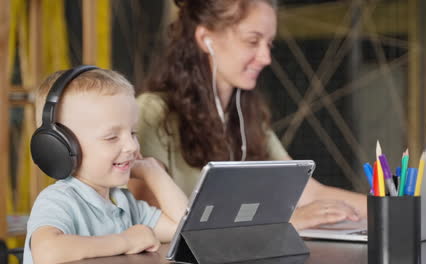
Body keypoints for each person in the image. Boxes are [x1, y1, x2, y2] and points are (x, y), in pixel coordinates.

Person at [129, 0, 366, 230]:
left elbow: (308, 192)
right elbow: (153, 214)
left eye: (269, 44)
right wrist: (280, 221)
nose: (266, 58)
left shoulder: (245, 115)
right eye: (253, 41)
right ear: (205, 38)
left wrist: (393, 209)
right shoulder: (152, 112)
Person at [23, 67, 188, 264]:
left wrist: (153, 172)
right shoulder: (60, 200)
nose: (132, 146)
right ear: (60, 147)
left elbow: (185, 230)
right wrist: (125, 241)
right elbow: (47, 252)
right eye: (111, 137)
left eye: (133, 133)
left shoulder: (124, 203)